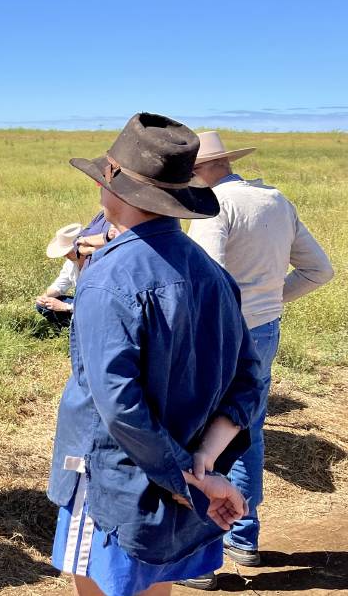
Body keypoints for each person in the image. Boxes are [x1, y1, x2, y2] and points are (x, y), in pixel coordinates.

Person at [48, 113, 267, 596]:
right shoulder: (211, 274)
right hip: (187, 468)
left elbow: (117, 405)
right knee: (154, 584)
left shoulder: (108, 277)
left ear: (117, 189)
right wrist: (203, 462)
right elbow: (249, 379)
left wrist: (180, 479)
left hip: (113, 476)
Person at [185, 130, 333, 581]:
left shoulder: (212, 206)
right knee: (247, 428)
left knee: (207, 437)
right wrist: (271, 301)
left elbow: (204, 280)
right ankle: (245, 539)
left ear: (197, 171)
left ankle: (202, 558)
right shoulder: (274, 200)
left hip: (220, 335)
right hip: (264, 330)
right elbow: (319, 269)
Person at [35, 223, 83, 327]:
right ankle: (70, 329)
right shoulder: (70, 263)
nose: (65, 255)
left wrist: (65, 306)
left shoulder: (97, 264)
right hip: (81, 302)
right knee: (42, 305)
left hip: (95, 307)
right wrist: (44, 297)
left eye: (69, 251)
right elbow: (59, 286)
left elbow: (98, 303)